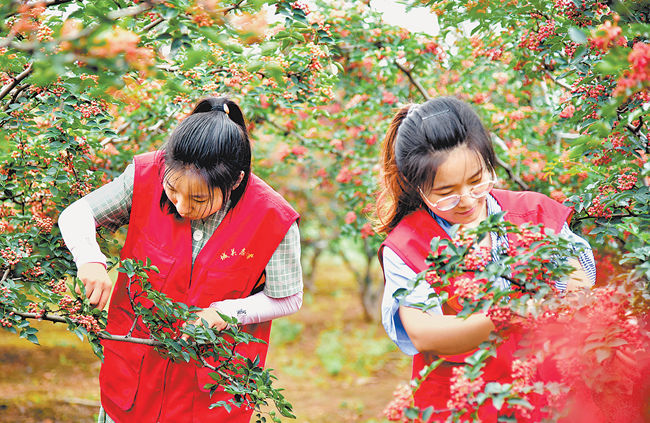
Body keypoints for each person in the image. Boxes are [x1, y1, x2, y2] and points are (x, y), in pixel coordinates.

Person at [58, 97, 303, 423]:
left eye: (198, 198)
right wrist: (90, 259)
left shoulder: (273, 218)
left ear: (235, 182)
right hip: (134, 381)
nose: (182, 206)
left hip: (210, 392)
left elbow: (288, 297)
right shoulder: (146, 175)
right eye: (172, 190)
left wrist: (226, 313)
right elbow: (77, 214)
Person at [375, 96, 596, 421]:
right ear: (416, 186)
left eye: (477, 181)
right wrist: (508, 314)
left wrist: (572, 301)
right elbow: (425, 331)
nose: (466, 200)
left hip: (549, 396)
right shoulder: (407, 245)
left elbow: (578, 279)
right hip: (464, 405)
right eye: (446, 191)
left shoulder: (533, 212)